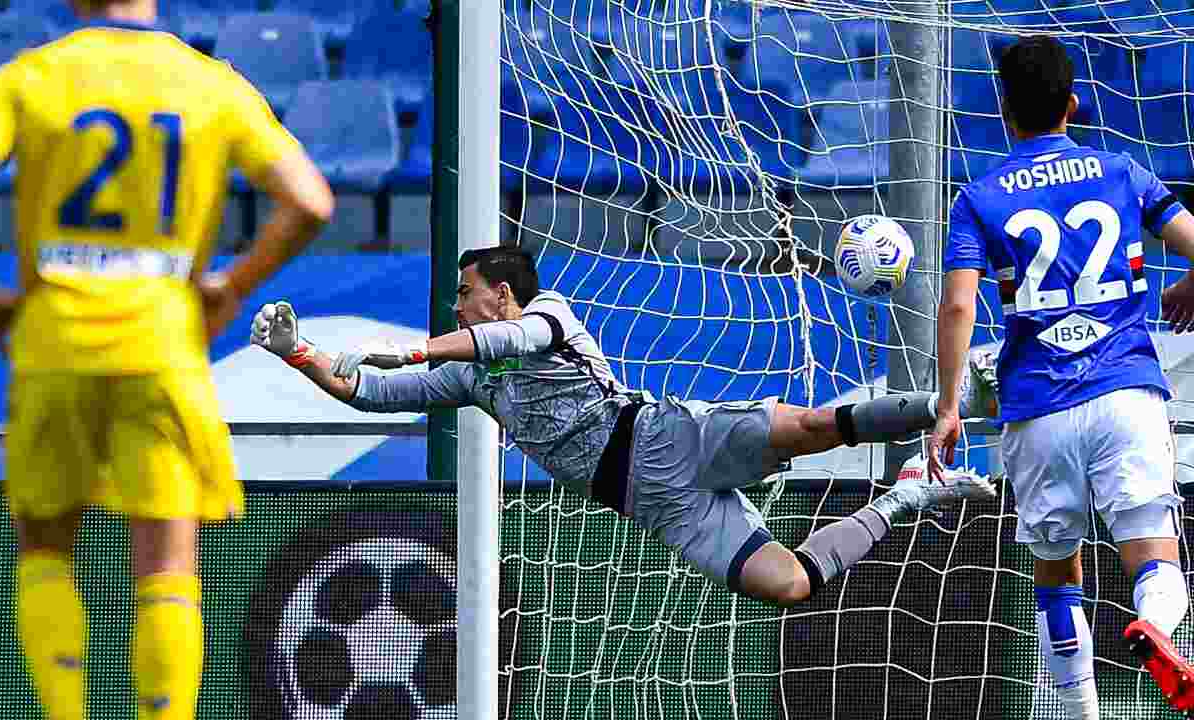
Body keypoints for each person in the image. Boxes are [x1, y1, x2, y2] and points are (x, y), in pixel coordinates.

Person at [0, 1, 334, 718]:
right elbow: (311, 201)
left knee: (46, 548)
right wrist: (232, 287)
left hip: (53, 341)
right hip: (162, 342)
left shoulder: (32, 76)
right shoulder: (209, 83)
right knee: (167, 563)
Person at [251, 245, 995, 606]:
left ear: (501, 293)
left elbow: (506, 342)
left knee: (810, 427)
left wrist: (406, 345)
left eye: (464, 292)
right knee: (790, 584)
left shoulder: (549, 316)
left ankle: (952, 401)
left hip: (664, 436)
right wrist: (299, 352)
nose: (455, 304)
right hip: (653, 505)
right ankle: (906, 494)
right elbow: (365, 393)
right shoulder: (469, 377)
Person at [929, 34, 1194, 718]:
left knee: (1055, 575)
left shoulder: (979, 198)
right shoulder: (1122, 170)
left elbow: (958, 302)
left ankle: (1079, 712)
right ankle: (1157, 628)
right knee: (1154, 556)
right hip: (1125, 394)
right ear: (1072, 104)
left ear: (1005, 110)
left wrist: (950, 406)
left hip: (1037, 406)